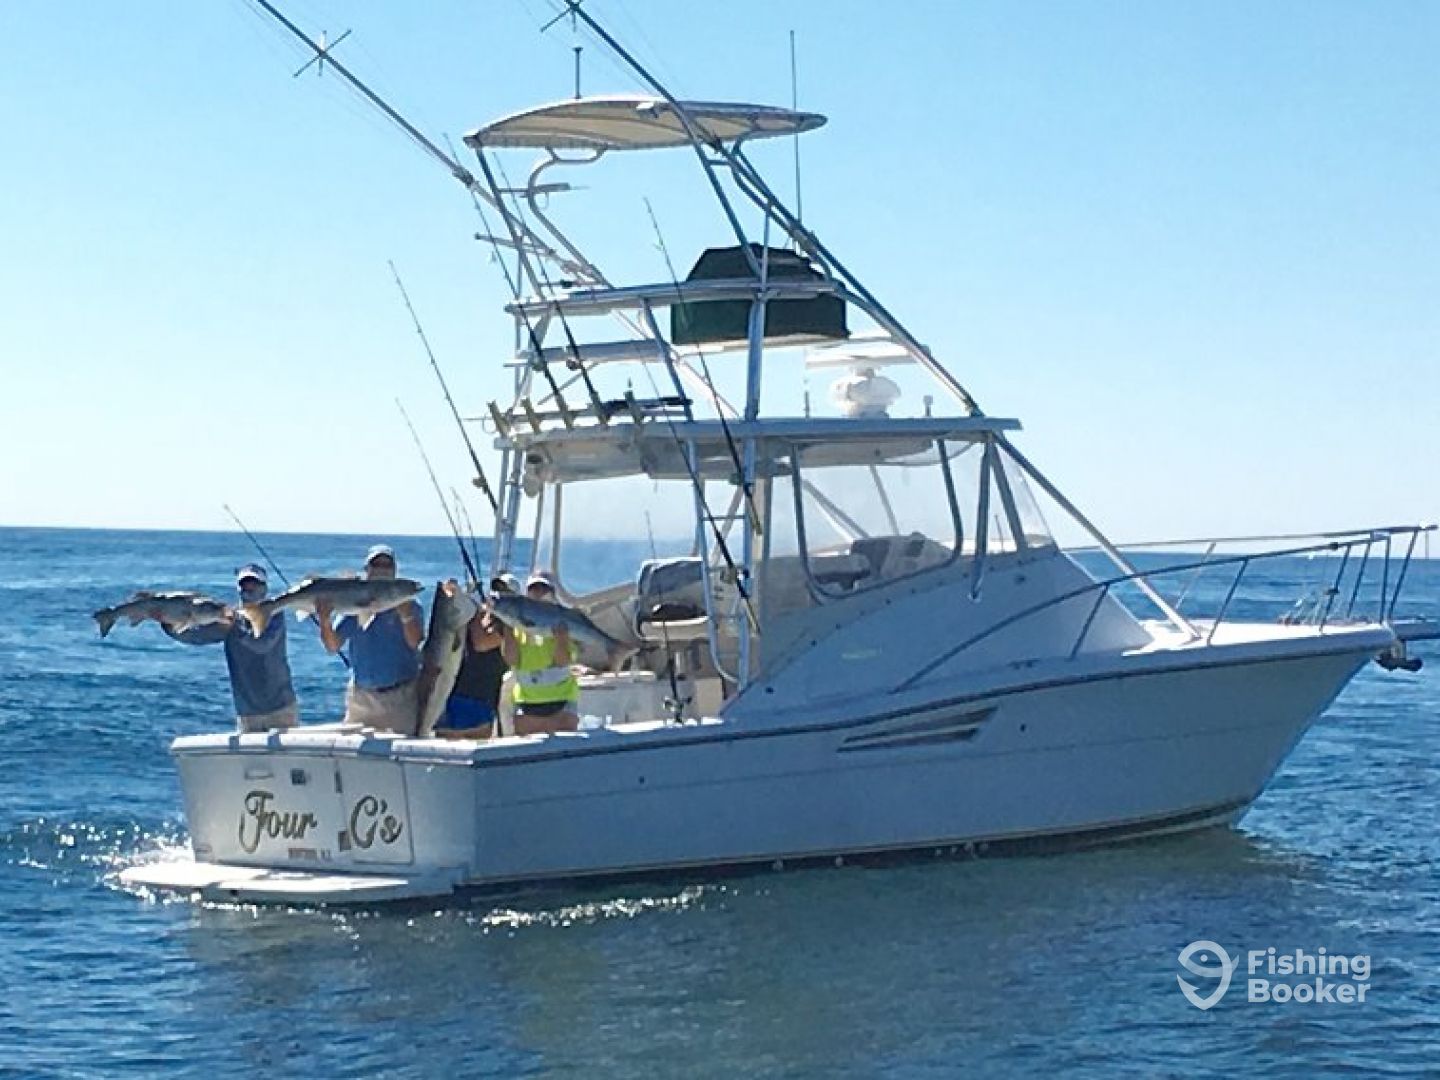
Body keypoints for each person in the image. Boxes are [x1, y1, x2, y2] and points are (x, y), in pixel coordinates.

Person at [161, 564, 298, 733]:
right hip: (247, 711)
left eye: (254, 584)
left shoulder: (274, 614)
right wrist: (167, 623)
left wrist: (236, 628)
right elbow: (195, 636)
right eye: (244, 585)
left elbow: (262, 645)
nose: (249, 589)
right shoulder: (227, 618)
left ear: (264, 588)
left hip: (280, 707)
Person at [315, 544, 424, 735]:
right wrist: (324, 620)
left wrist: (406, 616)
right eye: (376, 565)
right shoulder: (354, 600)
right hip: (361, 698)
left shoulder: (410, 605)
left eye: (387, 565)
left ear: (395, 570)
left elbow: (415, 642)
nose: (382, 570)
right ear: (367, 570)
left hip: (400, 696)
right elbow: (332, 646)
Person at [499, 570, 581, 736]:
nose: (539, 593)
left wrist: (561, 640)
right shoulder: (520, 625)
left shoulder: (562, 620)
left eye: (544, 589)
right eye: (534, 589)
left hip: (561, 702)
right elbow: (511, 659)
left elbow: (563, 661)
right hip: (527, 703)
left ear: (553, 594)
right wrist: (508, 628)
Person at [433, 580, 509, 740]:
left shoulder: (507, 629)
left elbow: (481, 643)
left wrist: (474, 612)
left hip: (479, 699)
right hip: (455, 693)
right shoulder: (480, 620)